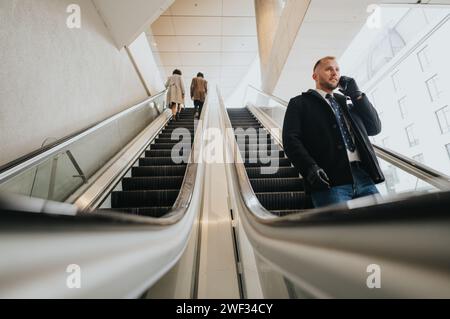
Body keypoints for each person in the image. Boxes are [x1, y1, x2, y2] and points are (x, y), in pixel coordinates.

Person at [282, 56, 385, 208]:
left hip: (364, 177)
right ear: (315, 76)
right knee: (339, 231)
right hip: (329, 181)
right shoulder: (300, 103)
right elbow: (291, 140)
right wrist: (309, 168)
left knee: (383, 227)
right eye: (328, 69)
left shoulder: (347, 103)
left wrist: (357, 95)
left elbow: (374, 128)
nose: (334, 73)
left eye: (337, 69)